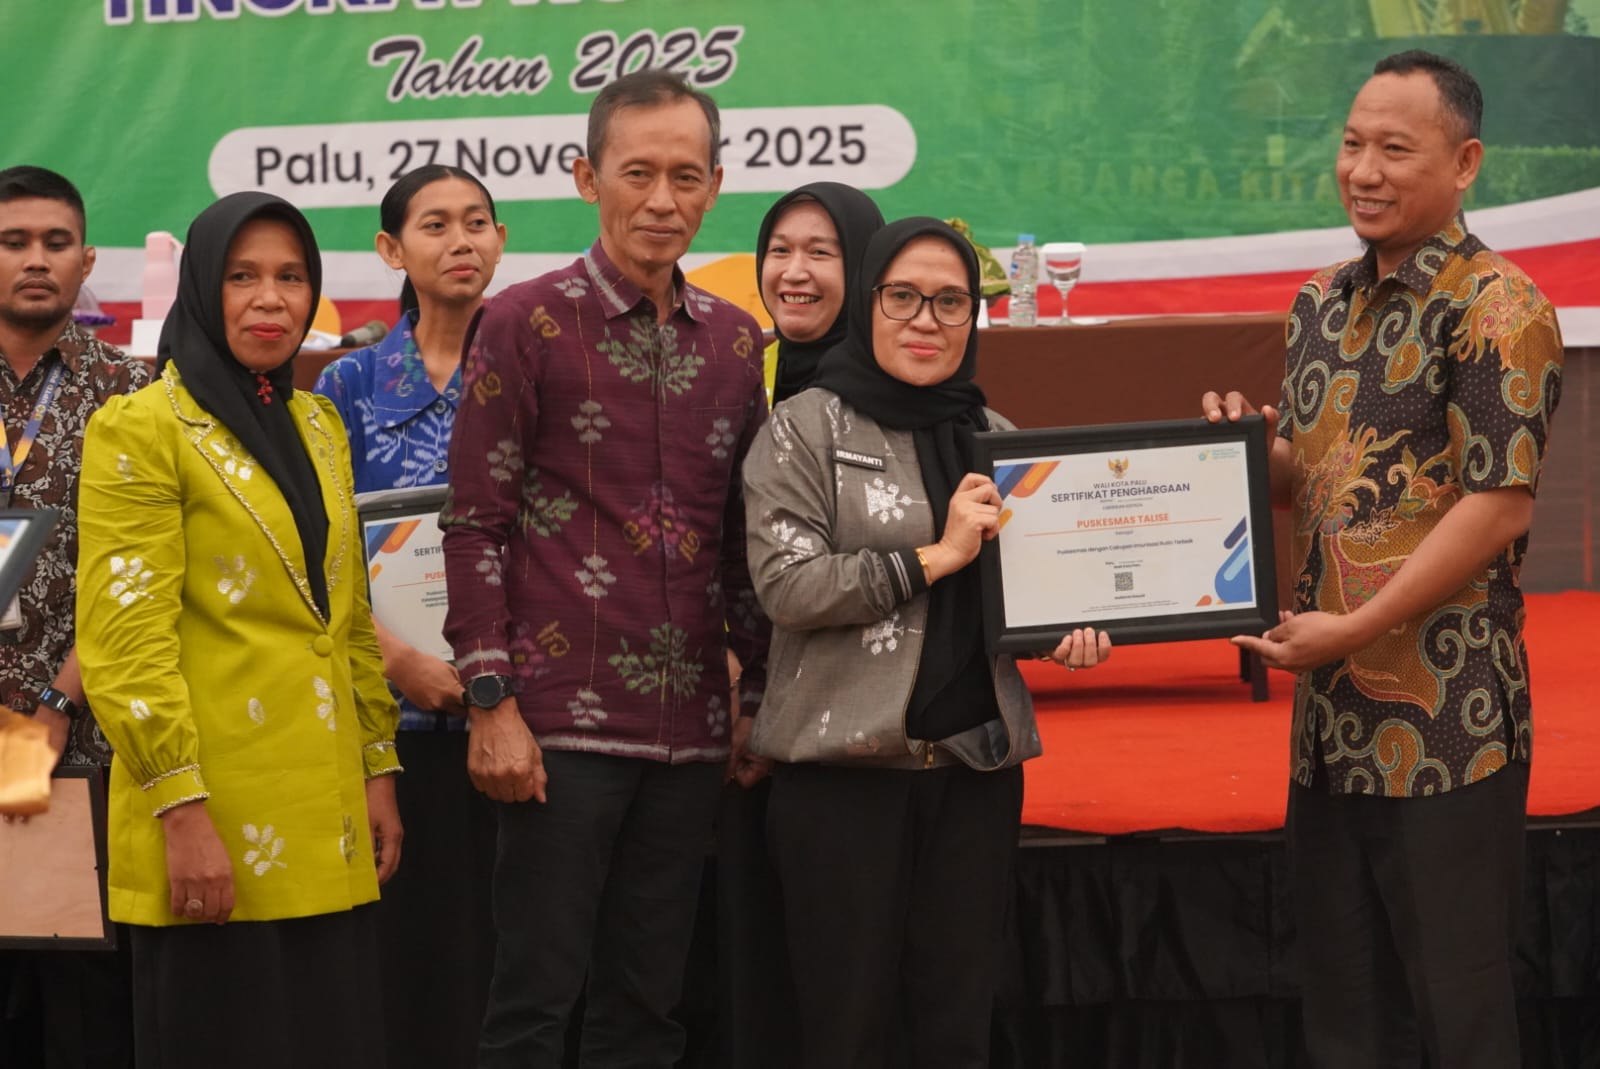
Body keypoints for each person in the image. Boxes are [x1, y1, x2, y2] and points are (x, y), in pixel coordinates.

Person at [1202, 50, 1563, 1069]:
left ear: (1465, 163)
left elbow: (1497, 503)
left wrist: (1356, 626)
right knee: (1345, 1011)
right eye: (1352, 143)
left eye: (1395, 149)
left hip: (1449, 723)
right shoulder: (1318, 300)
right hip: (1329, 726)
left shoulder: (1499, 305)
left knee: (1457, 1010)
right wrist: (1240, 455)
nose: (1363, 170)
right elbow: (1314, 476)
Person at [440, 69, 769, 1068]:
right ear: (587, 178)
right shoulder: (523, 322)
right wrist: (490, 699)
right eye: (638, 173)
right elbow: (475, 523)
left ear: (714, 186)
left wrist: (756, 693)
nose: (662, 200)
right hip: (557, 730)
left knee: (647, 1011)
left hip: (692, 735)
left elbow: (740, 539)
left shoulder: (735, 342)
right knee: (533, 1006)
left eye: (685, 176)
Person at [741, 216, 1111, 1068]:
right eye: (902, 296)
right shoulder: (804, 429)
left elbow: (1024, 590)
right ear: (867, 304)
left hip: (974, 775)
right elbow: (788, 587)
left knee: (955, 1031)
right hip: (844, 780)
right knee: (846, 1034)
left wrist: (1066, 631)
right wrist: (933, 556)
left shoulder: (998, 438)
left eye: (950, 302)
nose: (926, 320)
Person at [74, 191, 403, 1069]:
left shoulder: (317, 423)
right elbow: (124, 641)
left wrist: (376, 767)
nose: (270, 299)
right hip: (211, 817)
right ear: (200, 289)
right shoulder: (142, 428)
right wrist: (181, 811)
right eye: (242, 276)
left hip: (327, 817)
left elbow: (346, 618)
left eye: (291, 277)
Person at [314, 166, 503, 1069]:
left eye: (477, 222)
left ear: (501, 239)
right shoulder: (347, 384)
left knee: (518, 958)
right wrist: (396, 661)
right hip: (389, 724)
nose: (461, 240)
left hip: (521, 717)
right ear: (392, 249)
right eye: (435, 225)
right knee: (412, 964)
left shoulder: (535, 362)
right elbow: (317, 553)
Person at [716, 181, 884, 1066]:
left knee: (848, 976)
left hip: (850, 724)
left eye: (822, 252)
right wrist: (739, 683)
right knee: (762, 955)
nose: (794, 271)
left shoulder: (902, 391)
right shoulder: (741, 376)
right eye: (779, 250)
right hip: (744, 710)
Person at [0, 165, 149, 1069]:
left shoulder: (135, 392)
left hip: (85, 742)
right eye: (13, 241)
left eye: (56, 242)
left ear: (86, 260)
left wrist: (54, 706)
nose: (35, 259)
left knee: (88, 1013)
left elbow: (140, 573)